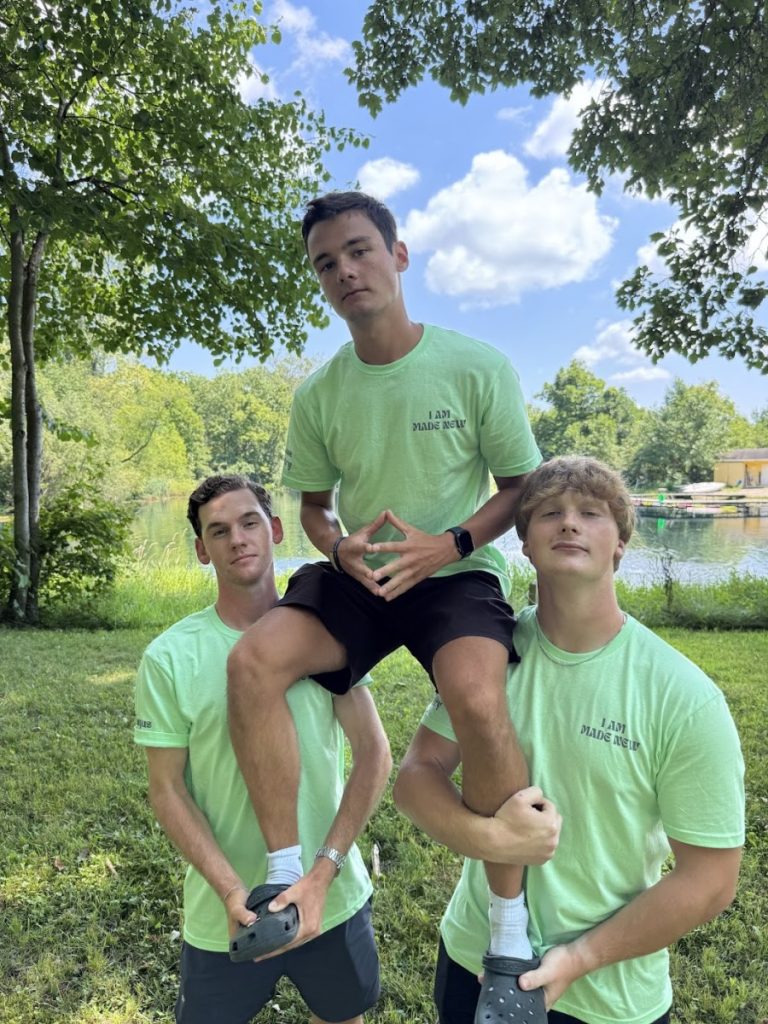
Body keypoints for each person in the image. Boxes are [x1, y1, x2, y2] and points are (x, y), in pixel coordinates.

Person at [227, 190, 545, 985]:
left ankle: (508, 927)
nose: (344, 271)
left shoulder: (475, 366)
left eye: (359, 250)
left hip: (456, 572)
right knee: (253, 662)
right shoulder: (319, 394)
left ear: (399, 256)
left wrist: (452, 542)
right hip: (363, 576)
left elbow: (522, 487)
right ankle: (284, 875)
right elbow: (312, 507)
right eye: (325, 263)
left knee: (477, 697)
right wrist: (338, 547)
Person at [394, 456, 745, 1024]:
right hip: (473, 960)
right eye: (549, 512)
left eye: (591, 513)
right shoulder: (486, 656)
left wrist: (580, 958)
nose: (569, 523)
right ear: (525, 545)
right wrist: (487, 836)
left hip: (606, 995)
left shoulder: (682, 696)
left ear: (620, 545)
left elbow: (710, 879)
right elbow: (416, 776)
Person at [134, 475, 391, 1024]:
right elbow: (167, 789)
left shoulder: (327, 633)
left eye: (249, 522)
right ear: (202, 550)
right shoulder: (169, 657)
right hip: (227, 913)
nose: (237, 539)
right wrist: (231, 890)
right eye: (218, 531)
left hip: (331, 897)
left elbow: (374, 755)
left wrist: (323, 871)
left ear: (274, 529)